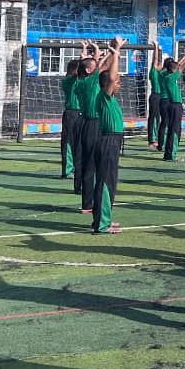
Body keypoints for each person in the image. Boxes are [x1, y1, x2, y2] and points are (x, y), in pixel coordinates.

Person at [90, 37, 129, 235]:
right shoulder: (104, 96)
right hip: (108, 141)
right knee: (105, 182)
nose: (119, 84)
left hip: (112, 141)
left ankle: (103, 217)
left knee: (109, 182)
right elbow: (111, 78)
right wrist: (117, 53)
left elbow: (109, 76)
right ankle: (102, 224)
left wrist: (114, 52)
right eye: (117, 82)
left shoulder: (109, 97)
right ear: (108, 85)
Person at [75, 45, 106, 214]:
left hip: (87, 123)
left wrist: (91, 54)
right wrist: (104, 52)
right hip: (93, 124)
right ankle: (92, 203)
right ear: (88, 71)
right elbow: (101, 67)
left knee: (88, 164)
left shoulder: (80, 81)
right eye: (94, 64)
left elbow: (98, 66)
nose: (98, 63)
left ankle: (87, 203)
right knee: (93, 165)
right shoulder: (90, 81)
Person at [159, 49, 185, 162]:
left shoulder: (166, 76)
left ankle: (168, 153)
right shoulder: (171, 77)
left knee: (171, 129)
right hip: (175, 105)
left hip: (171, 104)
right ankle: (172, 154)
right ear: (173, 70)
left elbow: (180, 65)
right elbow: (183, 66)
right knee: (175, 130)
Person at [60, 59, 81, 180]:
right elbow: (76, 76)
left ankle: (78, 168)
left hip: (82, 113)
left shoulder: (81, 81)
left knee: (80, 142)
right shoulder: (68, 81)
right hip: (71, 113)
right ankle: (68, 170)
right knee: (68, 142)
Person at [147, 44, 163, 148]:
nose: (160, 65)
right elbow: (155, 60)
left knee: (159, 118)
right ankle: (152, 139)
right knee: (154, 118)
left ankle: (157, 137)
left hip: (161, 97)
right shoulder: (153, 72)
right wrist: (156, 48)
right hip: (155, 96)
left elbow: (159, 60)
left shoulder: (162, 73)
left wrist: (160, 50)